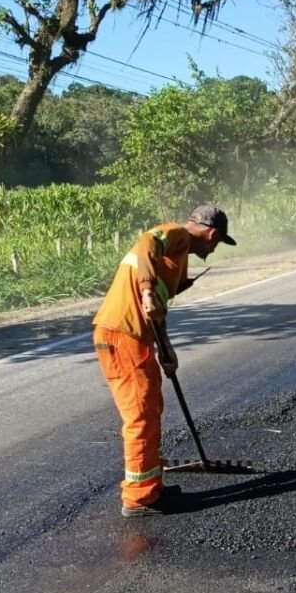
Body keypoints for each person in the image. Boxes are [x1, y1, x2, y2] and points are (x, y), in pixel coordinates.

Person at [92, 205, 236, 518]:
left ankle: (151, 486)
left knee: (151, 409)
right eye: (216, 243)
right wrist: (145, 292)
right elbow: (147, 240)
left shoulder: (174, 261)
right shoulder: (177, 235)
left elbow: (158, 309)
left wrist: (166, 348)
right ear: (212, 234)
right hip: (121, 335)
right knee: (141, 415)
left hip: (137, 338)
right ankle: (139, 498)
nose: (212, 250)